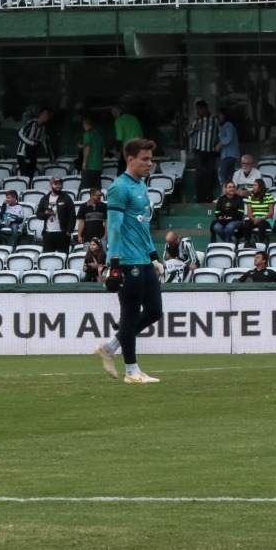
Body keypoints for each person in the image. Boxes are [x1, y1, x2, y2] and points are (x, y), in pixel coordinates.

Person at [95, 138, 162, 384]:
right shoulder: (120, 187)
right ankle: (132, 372)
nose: (150, 164)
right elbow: (114, 227)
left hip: (143, 259)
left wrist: (154, 256)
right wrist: (114, 262)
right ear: (130, 160)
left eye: (151, 159)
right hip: (126, 260)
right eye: (145, 159)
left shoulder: (141, 186)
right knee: (130, 315)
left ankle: (110, 347)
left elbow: (142, 227)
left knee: (155, 310)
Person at [34, 177, 76, 253]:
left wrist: (69, 231)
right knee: (48, 258)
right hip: (48, 233)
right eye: (56, 184)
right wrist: (45, 214)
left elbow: (72, 216)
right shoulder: (45, 198)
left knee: (63, 258)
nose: (58, 186)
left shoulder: (66, 198)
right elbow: (38, 215)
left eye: (60, 184)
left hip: (63, 233)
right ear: (51, 185)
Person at [15, 107, 52, 180]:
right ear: (41, 113)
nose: (47, 116)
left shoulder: (43, 128)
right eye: (46, 114)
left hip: (33, 154)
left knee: (31, 175)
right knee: (25, 175)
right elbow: (20, 133)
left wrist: (51, 157)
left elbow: (45, 142)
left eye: (49, 115)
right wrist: (31, 143)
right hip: (23, 153)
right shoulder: (31, 123)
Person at [77, 114, 105, 193]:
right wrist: (100, 159)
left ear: (84, 123)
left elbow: (88, 147)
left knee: (83, 190)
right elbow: (103, 149)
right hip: (98, 166)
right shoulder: (99, 134)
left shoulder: (87, 134)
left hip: (89, 166)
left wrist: (85, 161)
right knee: (97, 189)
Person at [216, 108, 239, 187]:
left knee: (221, 173)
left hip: (229, 154)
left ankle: (225, 191)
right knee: (230, 175)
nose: (218, 116)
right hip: (229, 155)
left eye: (220, 114)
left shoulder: (228, 125)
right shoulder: (223, 126)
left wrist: (219, 145)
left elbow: (228, 138)